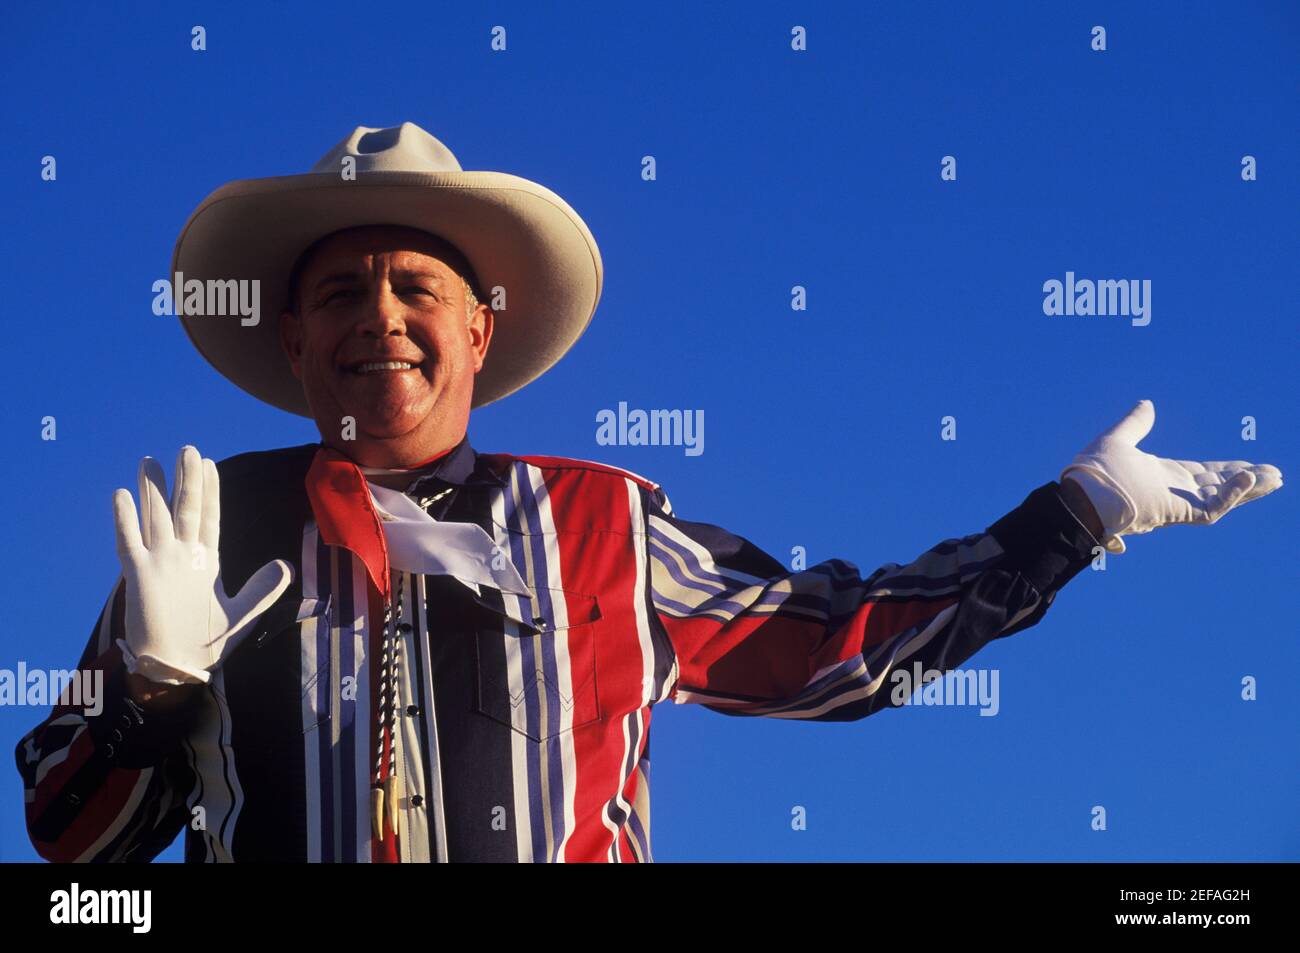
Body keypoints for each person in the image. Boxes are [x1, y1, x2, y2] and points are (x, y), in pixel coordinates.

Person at [14, 122, 1283, 863]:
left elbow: (833, 651)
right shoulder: (206, 531)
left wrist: (1072, 516)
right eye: (341, 293)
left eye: (415, 290)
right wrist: (147, 699)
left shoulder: (601, 524)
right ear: (292, 340)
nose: (380, 320)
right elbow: (82, 862)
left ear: (479, 333)